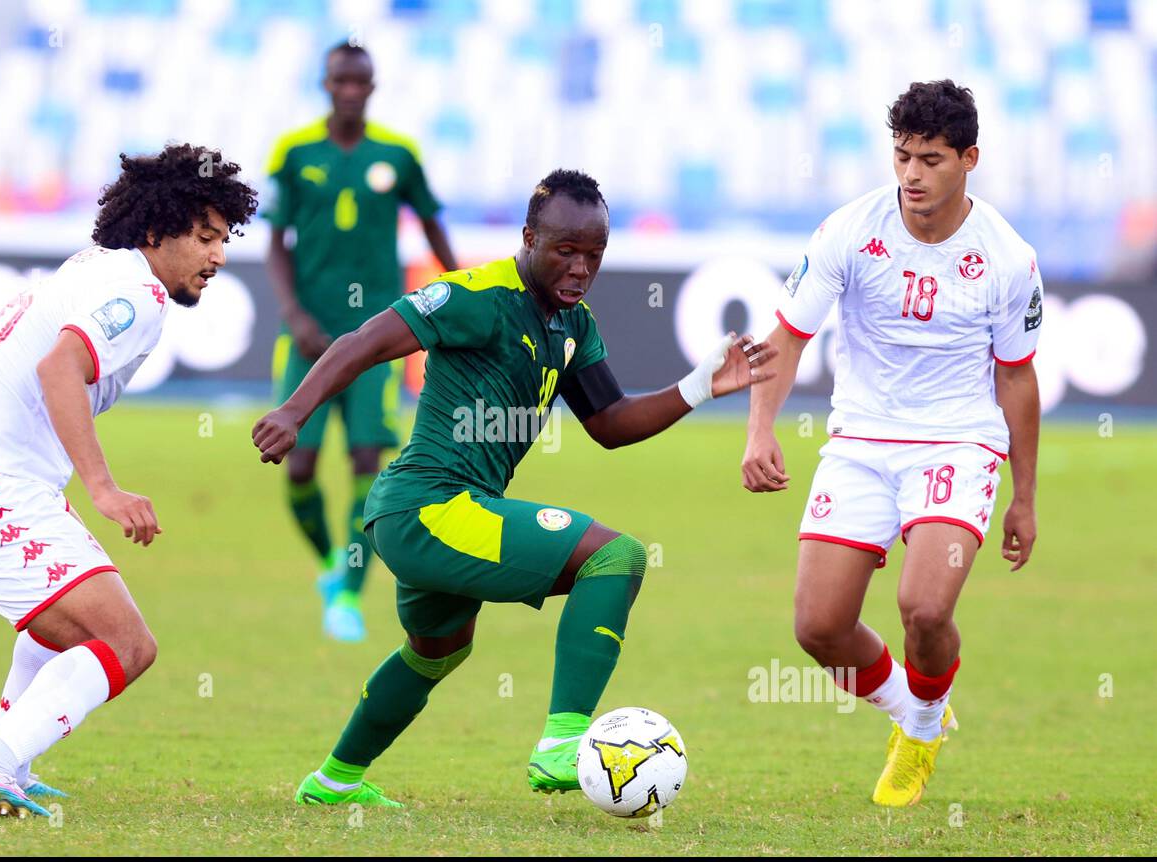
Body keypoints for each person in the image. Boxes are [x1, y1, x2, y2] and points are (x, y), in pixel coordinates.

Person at [253, 169, 775, 807]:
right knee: (615, 556)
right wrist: (293, 411)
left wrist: (698, 386)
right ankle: (562, 743)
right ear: (528, 237)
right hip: (429, 504)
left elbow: (609, 423)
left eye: (594, 254)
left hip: (445, 513)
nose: (581, 268)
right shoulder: (477, 295)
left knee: (435, 652)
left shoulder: (572, 324)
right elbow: (364, 342)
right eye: (566, 250)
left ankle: (332, 782)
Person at [0, 144, 257, 817]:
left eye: (225, 239)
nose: (219, 256)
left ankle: (13, 762)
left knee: (60, 623)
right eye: (207, 238)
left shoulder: (94, 268)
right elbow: (57, 369)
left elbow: (23, 398)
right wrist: (104, 488)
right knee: (125, 643)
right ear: (158, 231)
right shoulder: (137, 291)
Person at [740, 80, 1042, 806]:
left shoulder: (1005, 256)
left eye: (931, 159)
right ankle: (913, 708)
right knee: (818, 626)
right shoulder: (850, 229)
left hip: (958, 445)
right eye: (902, 156)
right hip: (860, 443)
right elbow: (786, 336)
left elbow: (1018, 380)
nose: (911, 174)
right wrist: (760, 427)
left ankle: (924, 726)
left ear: (970, 158)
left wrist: (1024, 498)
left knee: (925, 607)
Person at [264, 40, 458, 642]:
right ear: (326, 84)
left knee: (368, 461)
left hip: (379, 336)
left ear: (371, 88)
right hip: (307, 334)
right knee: (298, 465)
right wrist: (293, 311)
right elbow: (275, 241)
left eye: (360, 83)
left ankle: (347, 592)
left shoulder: (398, 155)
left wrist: (465, 292)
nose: (350, 91)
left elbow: (431, 226)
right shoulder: (294, 154)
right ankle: (329, 558)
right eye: (340, 81)